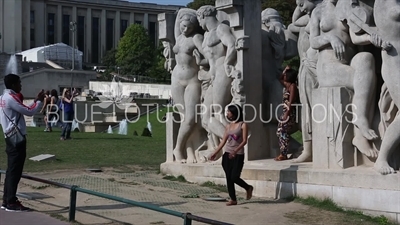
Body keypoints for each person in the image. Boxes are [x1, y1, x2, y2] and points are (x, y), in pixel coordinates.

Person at [0, 74, 45, 211]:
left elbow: (21, 109)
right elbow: (29, 112)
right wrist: (40, 102)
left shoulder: (3, 98)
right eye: (19, 83)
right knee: (15, 171)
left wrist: (35, 100)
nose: (21, 85)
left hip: (9, 137)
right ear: (13, 85)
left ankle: (7, 200)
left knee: (11, 170)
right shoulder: (11, 98)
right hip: (17, 139)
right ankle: (12, 202)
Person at [209, 104, 253, 206]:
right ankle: (233, 199)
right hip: (227, 155)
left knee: (234, 177)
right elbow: (223, 141)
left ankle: (248, 187)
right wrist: (214, 153)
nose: (227, 113)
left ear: (234, 113)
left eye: (229, 111)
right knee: (228, 177)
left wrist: (235, 151)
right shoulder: (228, 126)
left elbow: (244, 141)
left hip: (238, 155)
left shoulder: (243, 125)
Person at [275, 66, 299, 161]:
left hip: (290, 113)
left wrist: (287, 114)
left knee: (283, 132)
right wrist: (285, 70)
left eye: (286, 74)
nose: (284, 76)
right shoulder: (287, 85)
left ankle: (283, 154)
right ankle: (283, 152)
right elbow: (279, 78)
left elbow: (291, 101)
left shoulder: (292, 86)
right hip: (285, 112)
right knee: (280, 132)